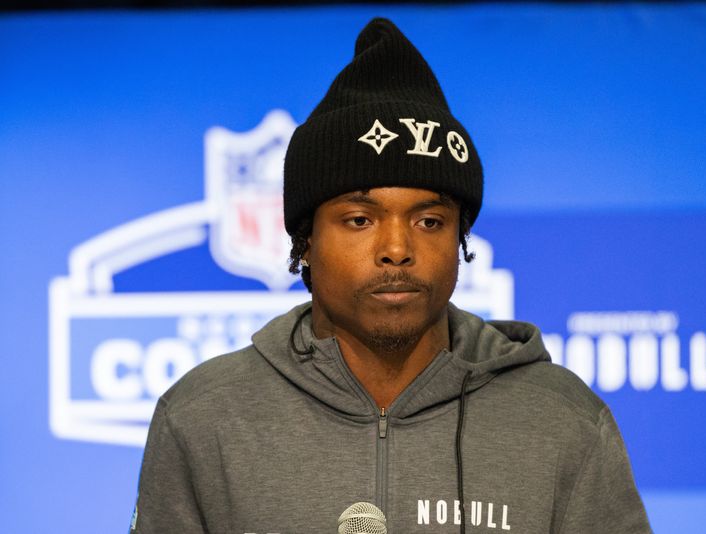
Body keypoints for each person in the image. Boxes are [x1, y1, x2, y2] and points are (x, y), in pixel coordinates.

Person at [130, 17, 651, 533]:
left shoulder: (564, 420)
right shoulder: (202, 417)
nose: (398, 249)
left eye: (429, 221)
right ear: (304, 241)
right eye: (359, 220)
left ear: (460, 240)